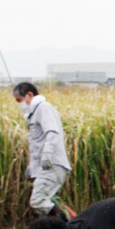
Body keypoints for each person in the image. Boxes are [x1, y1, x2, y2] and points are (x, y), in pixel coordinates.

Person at [12, 82, 73, 218]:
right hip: (45, 166)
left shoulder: (43, 108)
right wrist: (32, 167)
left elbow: (52, 132)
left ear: (29, 95)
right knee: (49, 202)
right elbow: (37, 144)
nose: (19, 104)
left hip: (52, 164)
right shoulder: (34, 113)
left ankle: (69, 223)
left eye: (19, 100)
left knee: (38, 201)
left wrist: (47, 154)